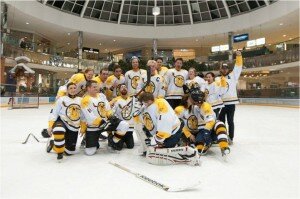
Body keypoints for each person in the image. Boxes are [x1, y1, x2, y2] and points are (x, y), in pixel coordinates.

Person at [136, 92, 199, 165]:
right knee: (157, 147)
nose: (144, 104)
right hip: (166, 130)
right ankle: (174, 143)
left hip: (173, 132)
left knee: (164, 149)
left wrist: (156, 140)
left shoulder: (161, 107)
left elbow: (164, 129)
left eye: (144, 103)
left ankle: (187, 153)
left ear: (149, 101)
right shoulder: (152, 103)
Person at [81, 80, 129, 155]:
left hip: (106, 123)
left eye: (97, 86)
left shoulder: (101, 96)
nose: (96, 88)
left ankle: (113, 140)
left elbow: (107, 108)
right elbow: (89, 116)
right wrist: (100, 122)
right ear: (88, 88)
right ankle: (93, 142)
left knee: (124, 124)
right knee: (90, 152)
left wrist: (111, 115)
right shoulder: (85, 100)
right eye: (94, 87)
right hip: (94, 126)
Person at [187, 87, 230, 156]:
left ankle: (224, 146)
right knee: (200, 149)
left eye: (191, 98)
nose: (190, 99)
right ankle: (207, 143)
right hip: (202, 131)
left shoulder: (206, 106)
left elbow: (211, 121)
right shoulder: (195, 107)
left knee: (220, 124)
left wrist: (206, 131)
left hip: (211, 130)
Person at [47, 82, 84, 162]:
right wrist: (50, 126)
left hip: (74, 125)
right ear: (67, 90)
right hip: (62, 121)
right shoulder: (61, 99)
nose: (73, 90)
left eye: (74, 88)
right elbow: (54, 113)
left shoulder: (81, 100)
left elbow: (83, 115)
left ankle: (53, 144)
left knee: (69, 151)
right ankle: (59, 153)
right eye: (70, 88)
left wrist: (83, 127)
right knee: (58, 130)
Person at [216, 51, 243, 144]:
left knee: (230, 121)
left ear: (228, 69)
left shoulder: (233, 76)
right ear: (220, 70)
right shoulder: (217, 79)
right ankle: (222, 136)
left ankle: (231, 138)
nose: (224, 70)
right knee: (221, 122)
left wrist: (239, 56)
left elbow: (238, 67)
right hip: (221, 104)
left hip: (231, 103)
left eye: (226, 68)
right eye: (222, 68)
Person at [110, 84, 135, 149]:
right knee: (118, 147)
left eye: (125, 87)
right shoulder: (115, 100)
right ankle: (111, 138)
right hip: (120, 128)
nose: (124, 88)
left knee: (130, 146)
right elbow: (111, 112)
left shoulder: (133, 100)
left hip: (130, 128)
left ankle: (125, 139)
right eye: (122, 87)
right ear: (118, 91)